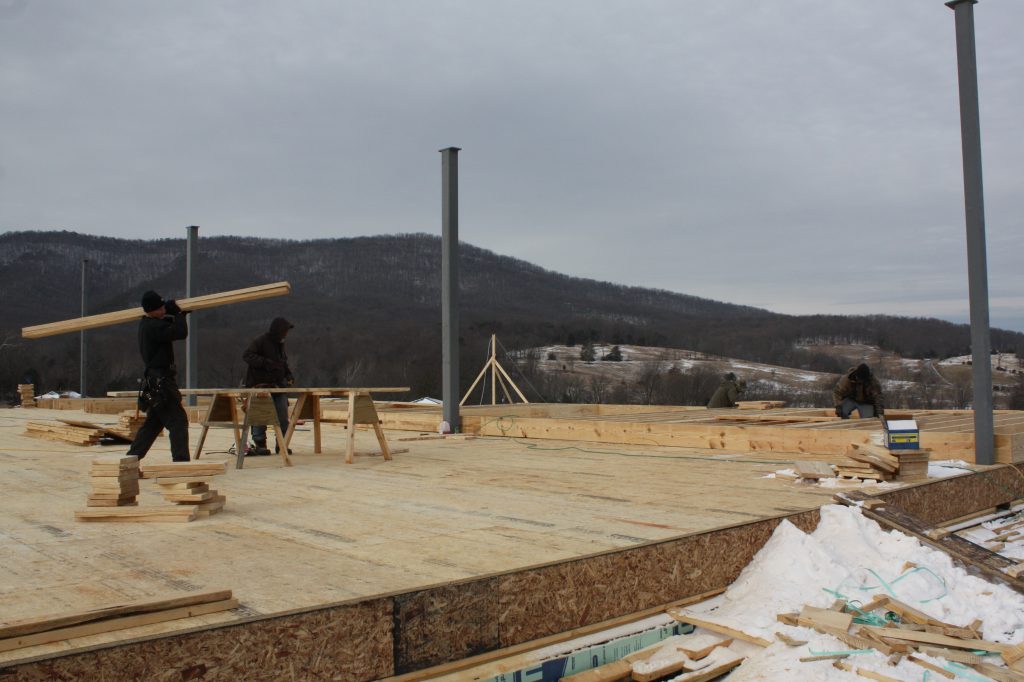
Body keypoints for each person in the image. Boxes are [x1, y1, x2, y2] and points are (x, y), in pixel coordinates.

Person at [127, 290, 190, 462]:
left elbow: (170, 326)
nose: (163, 310)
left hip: (156, 380)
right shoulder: (154, 327)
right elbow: (180, 333)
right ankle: (181, 464)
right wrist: (178, 314)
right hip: (161, 382)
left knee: (154, 424)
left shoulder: (147, 324)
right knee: (178, 422)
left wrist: (177, 314)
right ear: (152, 310)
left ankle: (130, 461)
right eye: (160, 308)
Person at [242, 317, 294, 455]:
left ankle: (282, 444)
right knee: (260, 416)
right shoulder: (261, 341)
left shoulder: (280, 344)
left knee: (282, 417)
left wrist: (288, 375)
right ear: (278, 330)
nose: (286, 334)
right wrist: (265, 363)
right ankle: (260, 445)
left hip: (277, 386)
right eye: (284, 331)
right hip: (260, 386)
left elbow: (283, 363)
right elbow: (247, 355)